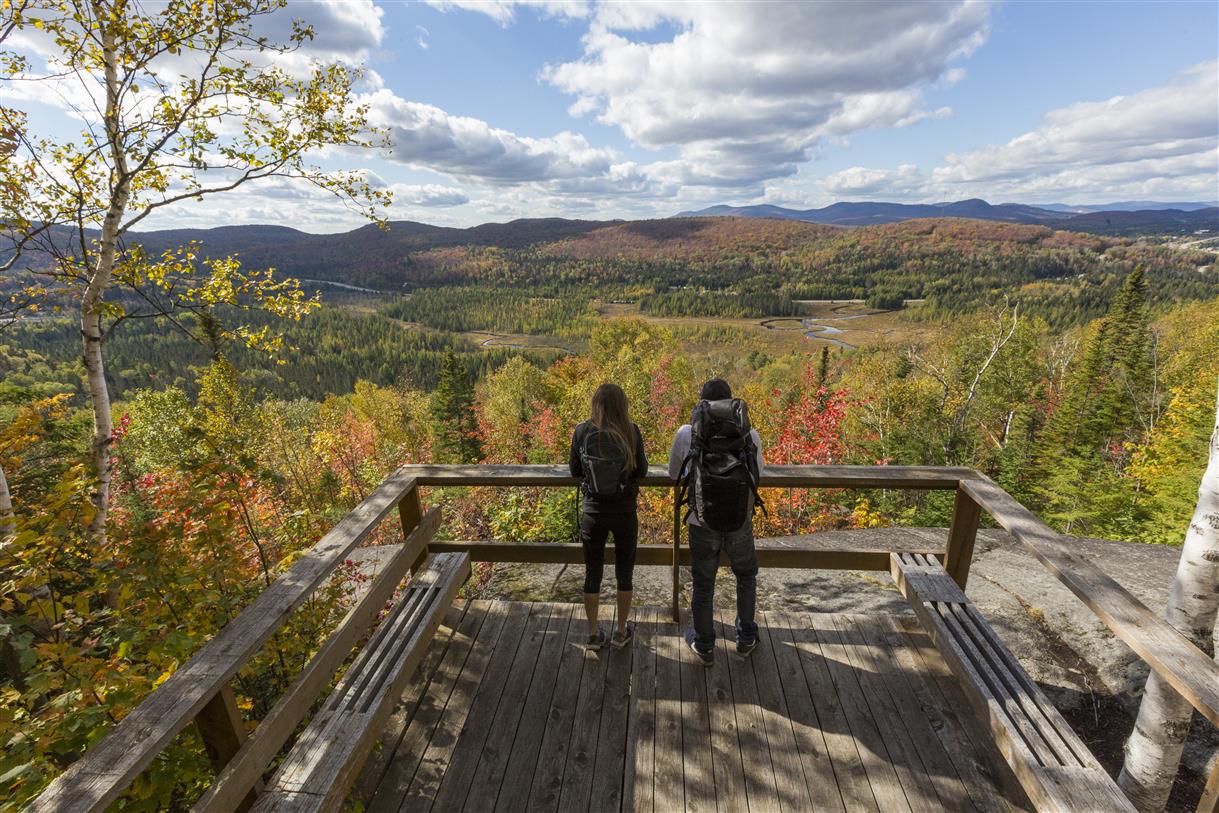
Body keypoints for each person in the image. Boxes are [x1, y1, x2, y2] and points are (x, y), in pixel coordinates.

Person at [669, 378, 764, 666]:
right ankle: (746, 638)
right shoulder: (749, 434)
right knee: (745, 577)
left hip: (702, 521)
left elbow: (674, 473)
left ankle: (704, 645)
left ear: (702, 403)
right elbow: (757, 474)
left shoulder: (687, 433)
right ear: (730, 403)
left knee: (703, 584)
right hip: (739, 520)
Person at [569, 383, 648, 651]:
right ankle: (621, 631)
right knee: (625, 573)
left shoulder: (582, 430)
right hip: (624, 511)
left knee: (593, 573)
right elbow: (642, 471)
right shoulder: (631, 430)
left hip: (593, 511)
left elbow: (574, 470)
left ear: (596, 404)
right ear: (622, 405)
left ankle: (593, 634)